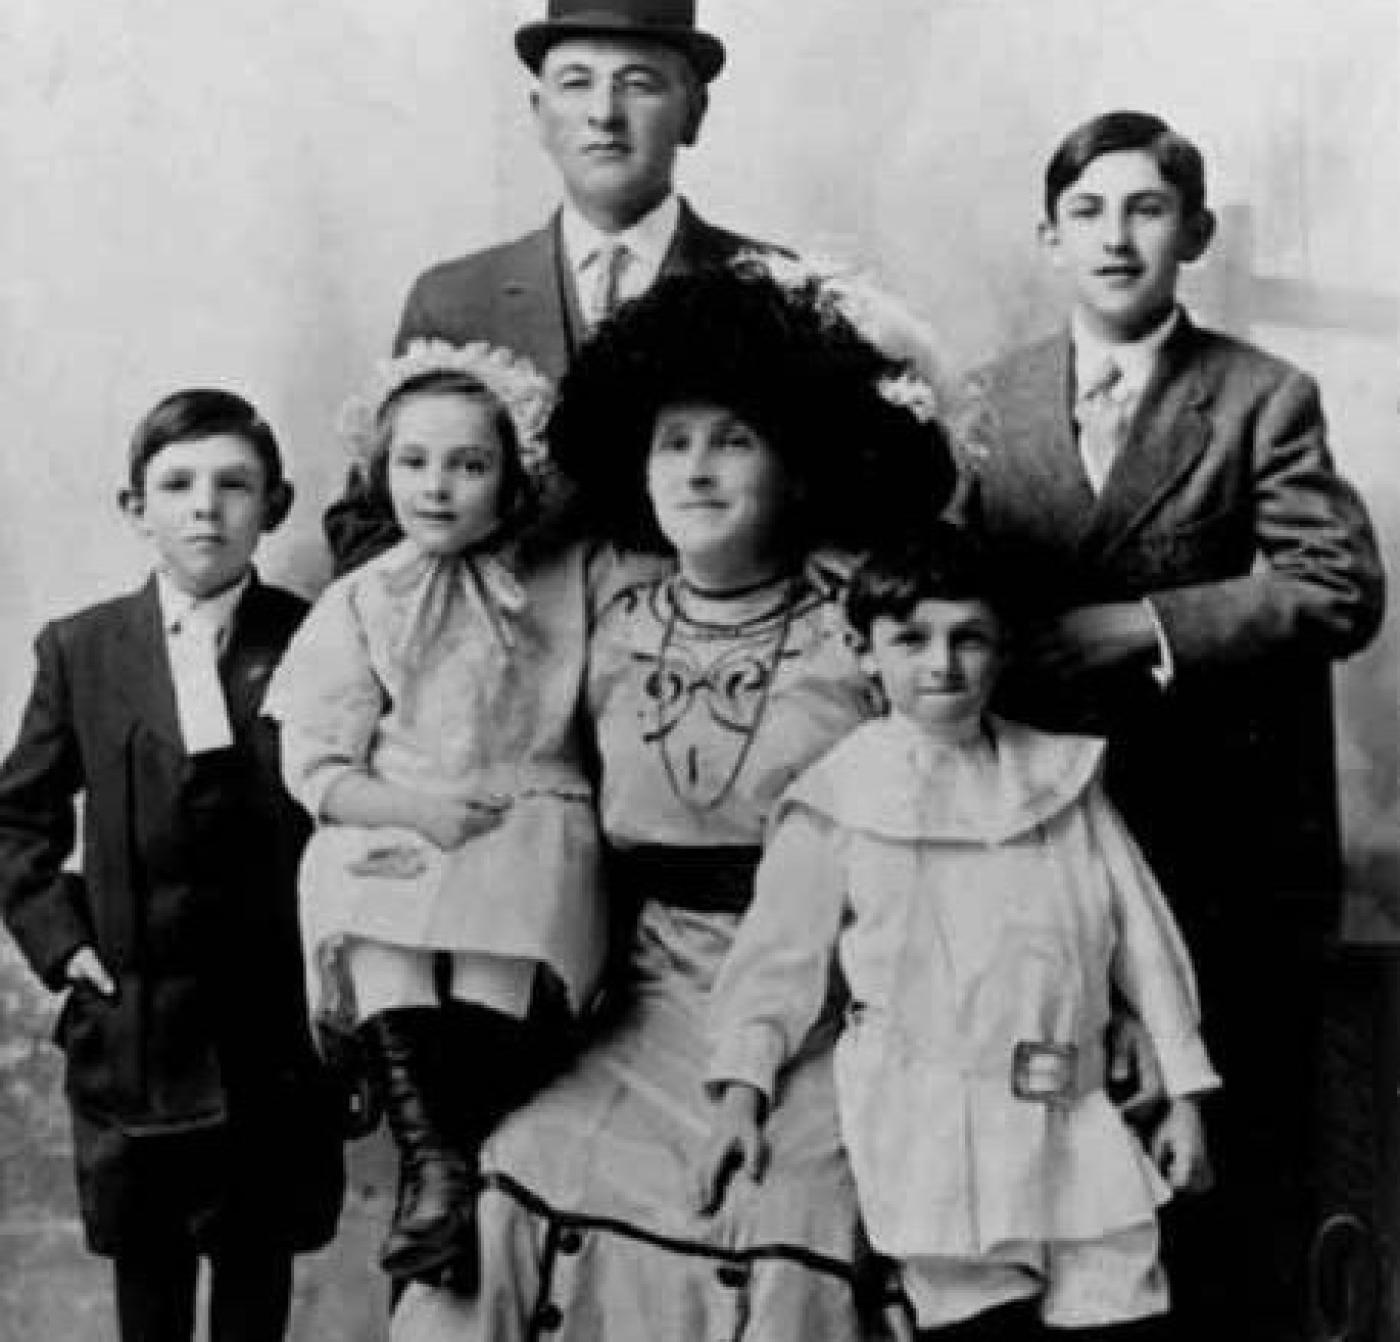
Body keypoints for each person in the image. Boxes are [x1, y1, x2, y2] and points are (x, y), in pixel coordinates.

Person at [391, 260, 956, 1341]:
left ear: (797, 465)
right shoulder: (599, 598)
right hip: (647, 996)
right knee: (520, 1173)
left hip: (833, 1000)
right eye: (671, 441)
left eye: (733, 439)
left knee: (794, 1211)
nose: (695, 468)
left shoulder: (861, 613)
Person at [966, 111, 1385, 1341]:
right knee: (1044, 1158)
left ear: (1190, 232)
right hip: (1039, 837)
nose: (1115, 236)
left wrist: (1140, 626)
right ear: (1047, 237)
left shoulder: (1259, 395)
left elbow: (1336, 586)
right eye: (1087, 212)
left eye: (1145, 209)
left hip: (1217, 846)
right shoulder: (983, 402)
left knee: (1212, 1169)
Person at [700, 530, 1218, 1342]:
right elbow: (775, 966)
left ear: (1001, 649)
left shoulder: (1061, 781)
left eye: (967, 638)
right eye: (911, 639)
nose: (941, 664)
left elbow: (1146, 944)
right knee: (981, 1327)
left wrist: (1185, 1098)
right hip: (934, 1127)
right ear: (864, 652)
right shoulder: (840, 798)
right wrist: (741, 1092)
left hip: (1075, 1114)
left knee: (1120, 1312)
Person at [0, 390, 345, 1342]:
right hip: (138, 1028)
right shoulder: (82, 649)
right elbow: (15, 819)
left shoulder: (320, 636)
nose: (206, 507)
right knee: (149, 1287)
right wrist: (63, 946)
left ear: (273, 505)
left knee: (254, 1282)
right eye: (178, 484)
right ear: (133, 507)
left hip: (273, 1036)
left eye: (234, 485)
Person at [265, 342, 605, 1292]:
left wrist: (477, 816)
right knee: (360, 876)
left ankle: (459, 1156)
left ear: (513, 477)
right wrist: (415, 809)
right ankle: (437, 1160)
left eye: (469, 464)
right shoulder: (363, 600)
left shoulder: (558, 584)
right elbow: (319, 766)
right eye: (414, 463)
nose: (439, 486)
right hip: (401, 808)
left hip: (527, 809)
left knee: (511, 876)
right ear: (380, 473)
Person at [324, 0, 763, 574]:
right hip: (504, 648)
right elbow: (370, 521)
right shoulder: (454, 300)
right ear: (538, 113)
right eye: (576, 83)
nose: (604, 114)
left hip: (708, 654)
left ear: (694, 113)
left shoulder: (768, 290)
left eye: (639, 83)